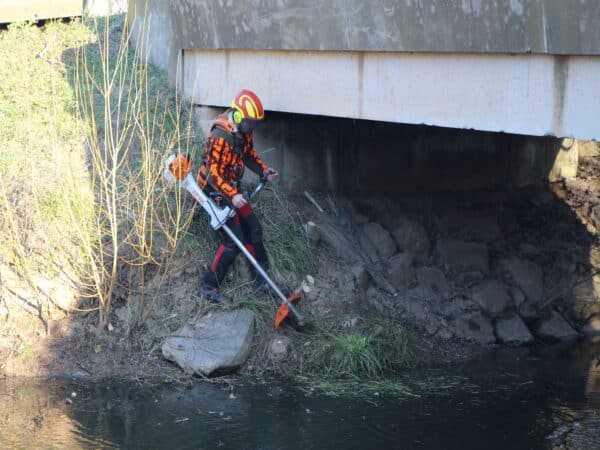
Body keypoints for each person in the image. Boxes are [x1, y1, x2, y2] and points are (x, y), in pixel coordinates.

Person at [196, 89, 278, 304]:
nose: (253, 128)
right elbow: (213, 175)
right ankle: (208, 286)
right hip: (213, 191)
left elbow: (249, 155)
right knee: (234, 240)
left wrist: (263, 171)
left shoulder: (243, 132)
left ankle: (262, 281)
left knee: (254, 228)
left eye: (254, 124)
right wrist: (232, 196)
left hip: (231, 189)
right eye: (251, 123)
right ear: (239, 116)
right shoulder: (219, 137)